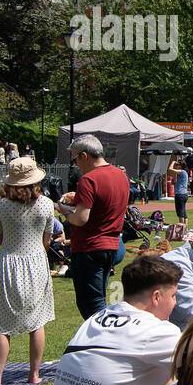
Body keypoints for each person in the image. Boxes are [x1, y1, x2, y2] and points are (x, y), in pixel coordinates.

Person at [42, 255, 184, 385]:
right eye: (173, 296)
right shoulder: (157, 331)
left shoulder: (97, 319)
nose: (175, 303)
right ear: (157, 296)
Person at [0, 158, 56, 385]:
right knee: (37, 321)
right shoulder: (46, 204)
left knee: (2, 325)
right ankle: (34, 374)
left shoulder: (1, 205)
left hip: (9, 263)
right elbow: (47, 238)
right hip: (37, 264)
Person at [58, 134, 130, 319]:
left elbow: (80, 219)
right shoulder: (121, 176)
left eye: (75, 159)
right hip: (113, 245)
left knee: (90, 303)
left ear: (84, 156)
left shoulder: (88, 180)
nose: (76, 165)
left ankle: (106, 340)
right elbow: (105, 204)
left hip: (89, 248)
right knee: (100, 297)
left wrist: (63, 211)